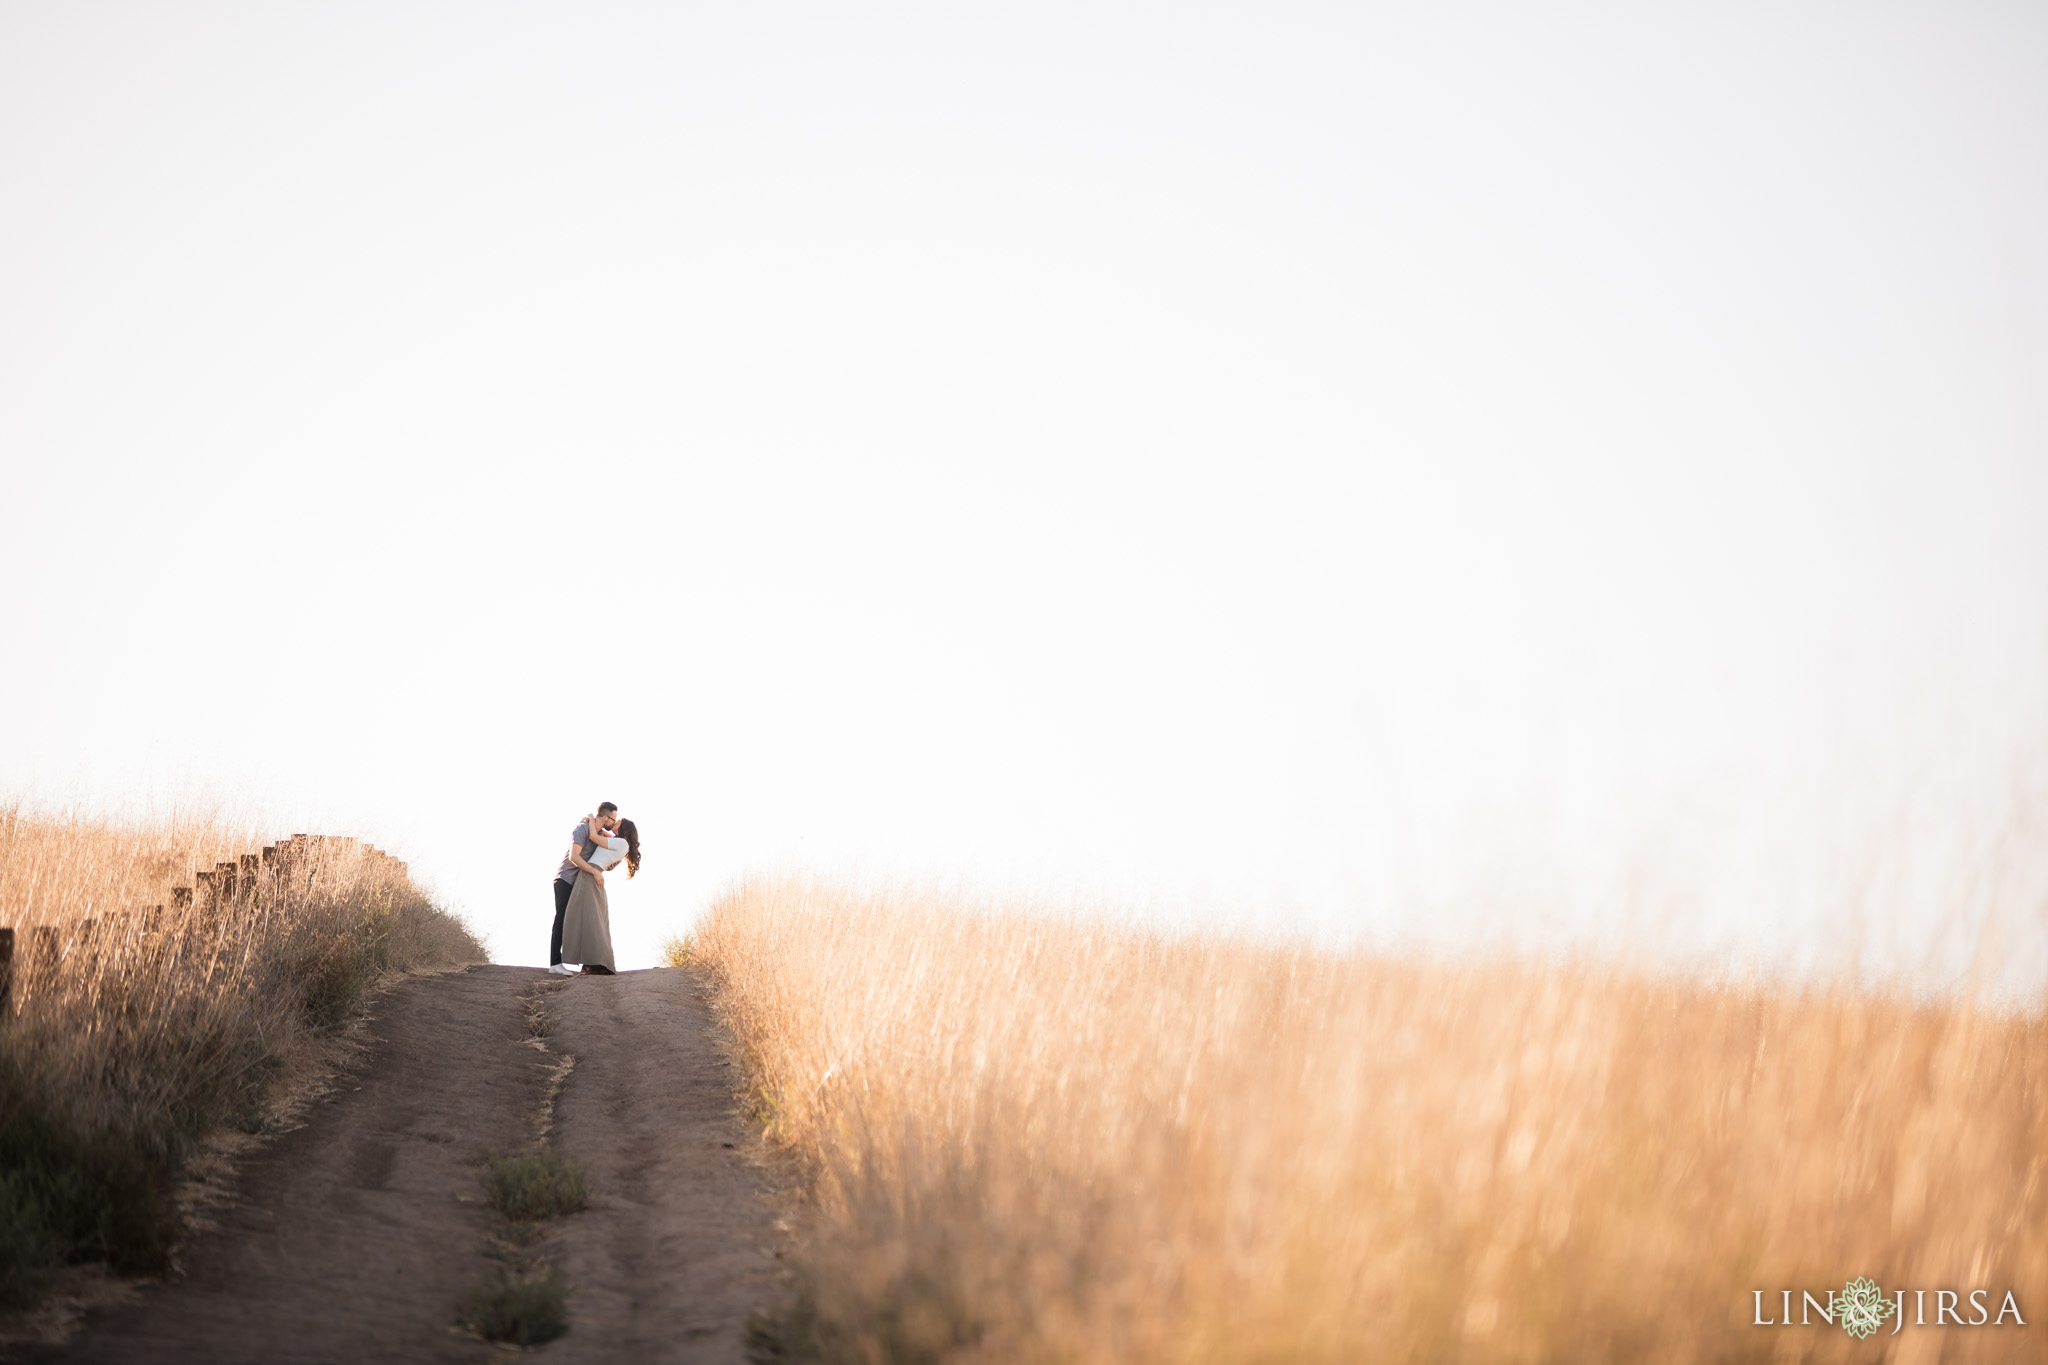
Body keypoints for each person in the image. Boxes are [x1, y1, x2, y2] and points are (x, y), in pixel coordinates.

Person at [559, 817, 640, 975]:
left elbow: (594, 837)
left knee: (587, 919)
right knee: (591, 919)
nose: (614, 823)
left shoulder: (622, 843)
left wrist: (590, 817)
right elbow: (601, 834)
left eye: (617, 822)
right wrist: (596, 825)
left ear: (623, 827)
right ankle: (593, 963)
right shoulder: (620, 842)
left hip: (590, 874)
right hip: (593, 874)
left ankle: (592, 964)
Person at [550, 803, 617, 974]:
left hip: (581, 883)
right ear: (604, 817)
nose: (613, 822)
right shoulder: (582, 829)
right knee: (562, 919)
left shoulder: (599, 835)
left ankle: (584, 963)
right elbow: (574, 857)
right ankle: (555, 964)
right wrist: (594, 871)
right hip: (566, 879)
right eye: (613, 819)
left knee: (579, 922)